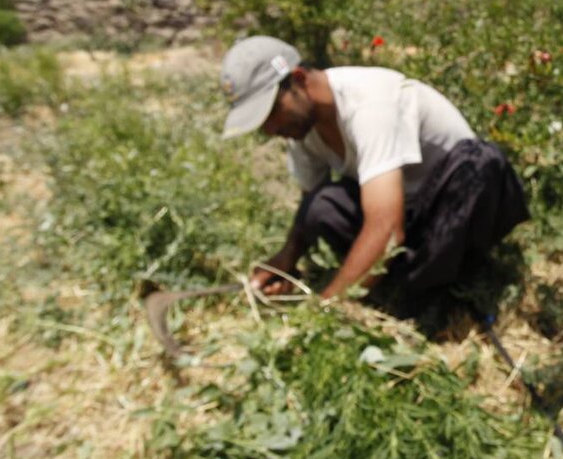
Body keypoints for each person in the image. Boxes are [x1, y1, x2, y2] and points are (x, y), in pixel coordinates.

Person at [219, 35, 529, 318]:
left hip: (456, 214)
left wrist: (329, 307)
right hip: (407, 220)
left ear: (298, 79)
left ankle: (444, 284)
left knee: (482, 160)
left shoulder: (370, 103)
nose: (271, 129)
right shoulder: (303, 128)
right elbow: (310, 204)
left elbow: (387, 231)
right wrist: (285, 262)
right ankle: (408, 280)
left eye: (272, 112)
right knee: (320, 204)